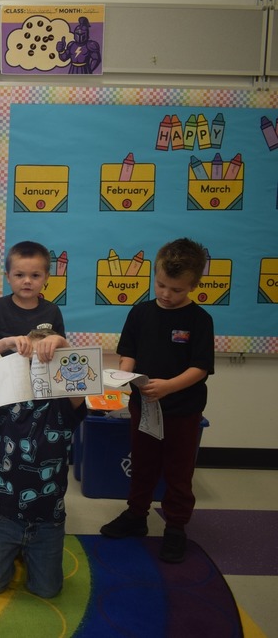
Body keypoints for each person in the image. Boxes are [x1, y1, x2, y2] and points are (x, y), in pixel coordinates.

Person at [99, 238, 214, 564]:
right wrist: (123, 380)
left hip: (182, 411)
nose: (166, 294)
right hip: (144, 406)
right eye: (161, 284)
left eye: (176, 290)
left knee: (178, 471)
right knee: (143, 464)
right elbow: (128, 354)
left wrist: (169, 387)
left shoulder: (199, 320)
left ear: (193, 286)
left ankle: (175, 527)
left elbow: (201, 368)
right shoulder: (140, 312)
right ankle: (137, 515)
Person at [0, 329, 87, 598]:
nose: (37, 368)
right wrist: (9, 341)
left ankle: (25, 553)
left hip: (46, 518)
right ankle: (7, 550)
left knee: (47, 590)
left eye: (45, 360)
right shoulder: (3, 396)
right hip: (3, 513)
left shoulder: (65, 405)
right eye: (30, 360)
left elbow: (82, 376)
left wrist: (63, 345)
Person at [0, 240, 65, 344]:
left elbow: (61, 350)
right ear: (8, 277)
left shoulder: (52, 311)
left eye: (35, 275)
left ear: (46, 278)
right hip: (1, 360)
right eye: (20, 275)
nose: (27, 281)